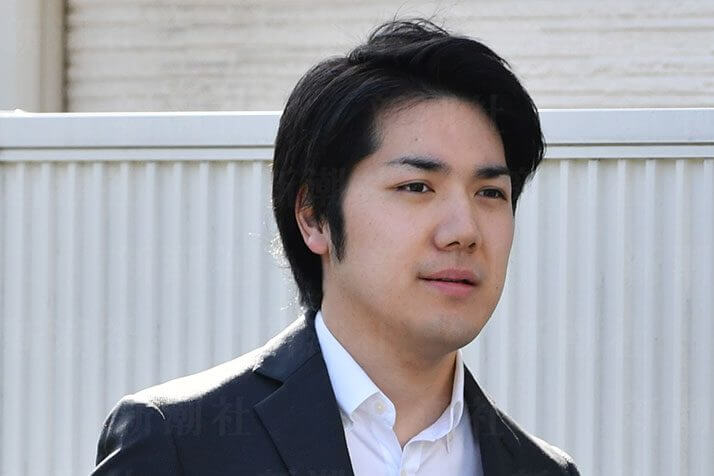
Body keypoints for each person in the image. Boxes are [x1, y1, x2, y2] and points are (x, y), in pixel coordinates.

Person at [93, 18, 580, 475]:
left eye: (490, 193)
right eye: (416, 187)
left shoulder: (542, 469)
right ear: (314, 217)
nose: (464, 230)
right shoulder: (180, 442)